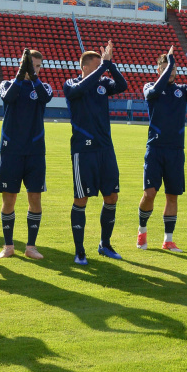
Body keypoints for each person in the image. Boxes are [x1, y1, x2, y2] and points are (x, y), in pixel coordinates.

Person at [64, 40, 128, 264]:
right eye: (98, 64)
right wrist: (105, 65)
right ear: (85, 66)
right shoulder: (71, 84)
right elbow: (80, 89)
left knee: (111, 196)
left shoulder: (103, 84)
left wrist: (110, 65)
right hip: (84, 150)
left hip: (105, 149)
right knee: (81, 198)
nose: (101, 68)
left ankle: (105, 244)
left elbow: (122, 86)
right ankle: (79, 250)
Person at [138, 42, 187, 252]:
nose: (171, 71)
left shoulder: (181, 91)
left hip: (175, 151)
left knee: (172, 195)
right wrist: (171, 60)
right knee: (150, 194)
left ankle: (168, 239)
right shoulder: (150, 87)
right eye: (166, 68)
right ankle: (142, 231)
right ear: (158, 69)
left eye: (173, 68)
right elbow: (155, 90)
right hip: (155, 149)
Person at [0, 49, 51, 259]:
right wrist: (21, 74)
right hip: (10, 151)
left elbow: (45, 98)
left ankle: (31, 247)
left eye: (36, 66)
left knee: (34, 197)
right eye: (29, 64)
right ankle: (8, 246)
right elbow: (8, 98)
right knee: (9, 199)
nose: (31, 69)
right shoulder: (7, 84)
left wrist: (33, 77)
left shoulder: (43, 86)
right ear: (20, 64)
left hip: (35, 151)